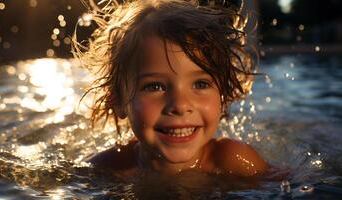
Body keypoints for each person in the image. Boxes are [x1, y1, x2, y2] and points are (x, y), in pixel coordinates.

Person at [73, 0, 268, 177]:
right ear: (118, 100)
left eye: (201, 84)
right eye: (155, 86)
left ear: (223, 96)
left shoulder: (234, 161)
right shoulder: (108, 168)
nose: (180, 105)